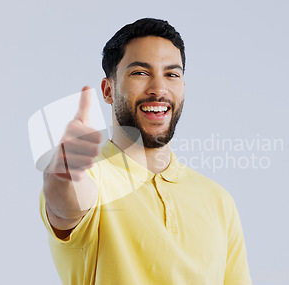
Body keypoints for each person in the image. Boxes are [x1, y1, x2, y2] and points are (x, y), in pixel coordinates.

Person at [40, 18, 252, 284]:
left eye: (172, 74)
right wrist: (64, 174)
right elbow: (66, 204)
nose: (159, 89)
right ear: (108, 90)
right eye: (140, 73)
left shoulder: (220, 201)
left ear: (183, 89)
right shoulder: (92, 178)